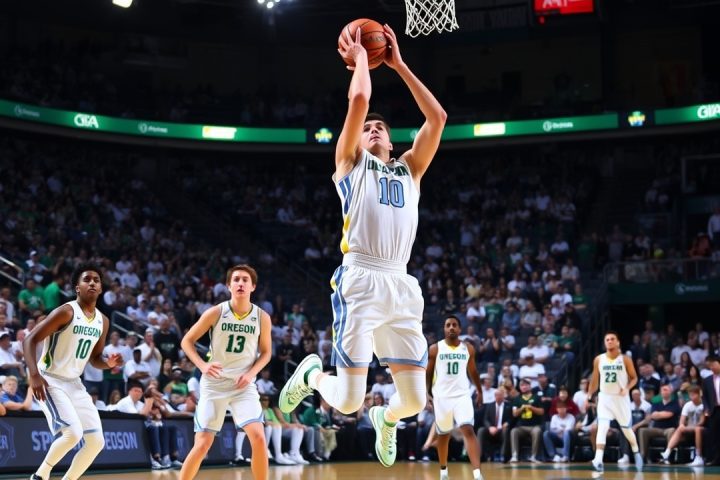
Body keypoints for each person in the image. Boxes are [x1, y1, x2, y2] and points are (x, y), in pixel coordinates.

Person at [278, 21, 446, 469]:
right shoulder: (350, 163)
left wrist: (400, 65)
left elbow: (437, 119)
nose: (372, 129)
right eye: (367, 127)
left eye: (380, 128)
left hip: (401, 284)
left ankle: (385, 418)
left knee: (415, 402)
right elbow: (358, 101)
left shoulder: (410, 169)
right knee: (349, 400)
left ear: (392, 141)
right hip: (361, 277)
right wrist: (361, 63)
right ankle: (314, 375)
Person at [23, 264, 123, 480]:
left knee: (96, 442)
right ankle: (39, 476)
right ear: (77, 287)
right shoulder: (66, 311)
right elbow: (30, 340)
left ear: (101, 288)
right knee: (72, 433)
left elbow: (95, 359)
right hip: (50, 379)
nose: (92, 283)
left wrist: (109, 363)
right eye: (87, 279)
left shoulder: (103, 321)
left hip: (74, 383)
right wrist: (34, 375)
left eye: (96, 280)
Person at [179, 264, 271, 480]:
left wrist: (251, 374)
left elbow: (266, 353)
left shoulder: (262, 317)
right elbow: (187, 341)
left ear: (253, 286)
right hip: (215, 384)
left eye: (245, 280)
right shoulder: (216, 312)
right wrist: (202, 366)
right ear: (229, 286)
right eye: (236, 279)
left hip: (243, 386)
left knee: (259, 438)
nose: (240, 283)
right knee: (202, 445)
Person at [426, 316, 484, 480]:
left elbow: (473, 371)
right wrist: (427, 393)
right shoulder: (435, 348)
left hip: (462, 395)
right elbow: (428, 372)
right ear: (444, 329)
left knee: (468, 429)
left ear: (459, 329)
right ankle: (443, 471)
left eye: (454, 325)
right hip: (441, 396)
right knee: (443, 434)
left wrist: (479, 390)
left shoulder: (468, 348)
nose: (451, 327)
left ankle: (477, 474)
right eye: (448, 325)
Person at [588, 331, 642, 472]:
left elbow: (634, 378)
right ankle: (598, 459)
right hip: (605, 398)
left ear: (618, 342)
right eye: (607, 339)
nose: (610, 341)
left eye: (612, 339)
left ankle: (636, 451)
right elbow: (595, 380)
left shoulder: (625, 359)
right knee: (602, 427)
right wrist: (589, 395)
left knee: (627, 430)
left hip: (620, 399)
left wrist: (627, 388)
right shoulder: (599, 359)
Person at [660, 385, 704, 466]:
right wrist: (682, 426)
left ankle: (698, 457)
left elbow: (702, 421)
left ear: (698, 394)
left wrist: (692, 427)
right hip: (689, 428)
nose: (691, 397)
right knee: (680, 428)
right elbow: (682, 421)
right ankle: (667, 453)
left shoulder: (703, 405)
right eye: (690, 395)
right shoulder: (688, 405)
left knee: (697, 429)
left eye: (693, 395)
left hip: (701, 428)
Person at [701, 355, 720, 466]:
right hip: (714, 410)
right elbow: (704, 397)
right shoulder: (707, 380)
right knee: (714, 436)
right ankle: (715, 459)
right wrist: (706, 409)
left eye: (714, 364)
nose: (712, 367)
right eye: (710, 366)